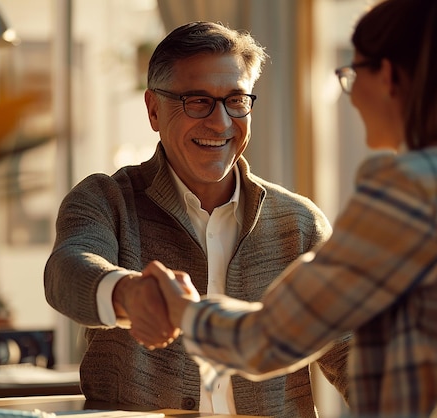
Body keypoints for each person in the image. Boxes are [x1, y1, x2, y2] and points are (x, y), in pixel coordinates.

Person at [144, 1, 437, 417]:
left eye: (352, 75)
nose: (350, 96)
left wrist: (184, 309)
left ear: (388, 76)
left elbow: (266, 340)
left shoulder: (409, 193)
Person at [44, 21, 349, 417]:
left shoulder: (300, 223)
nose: (221, 122)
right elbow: (66, 273)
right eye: (197, 101)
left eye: (236, 100)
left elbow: (354, 358)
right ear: (154, 109)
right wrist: (129, 295)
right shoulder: (105, 199)